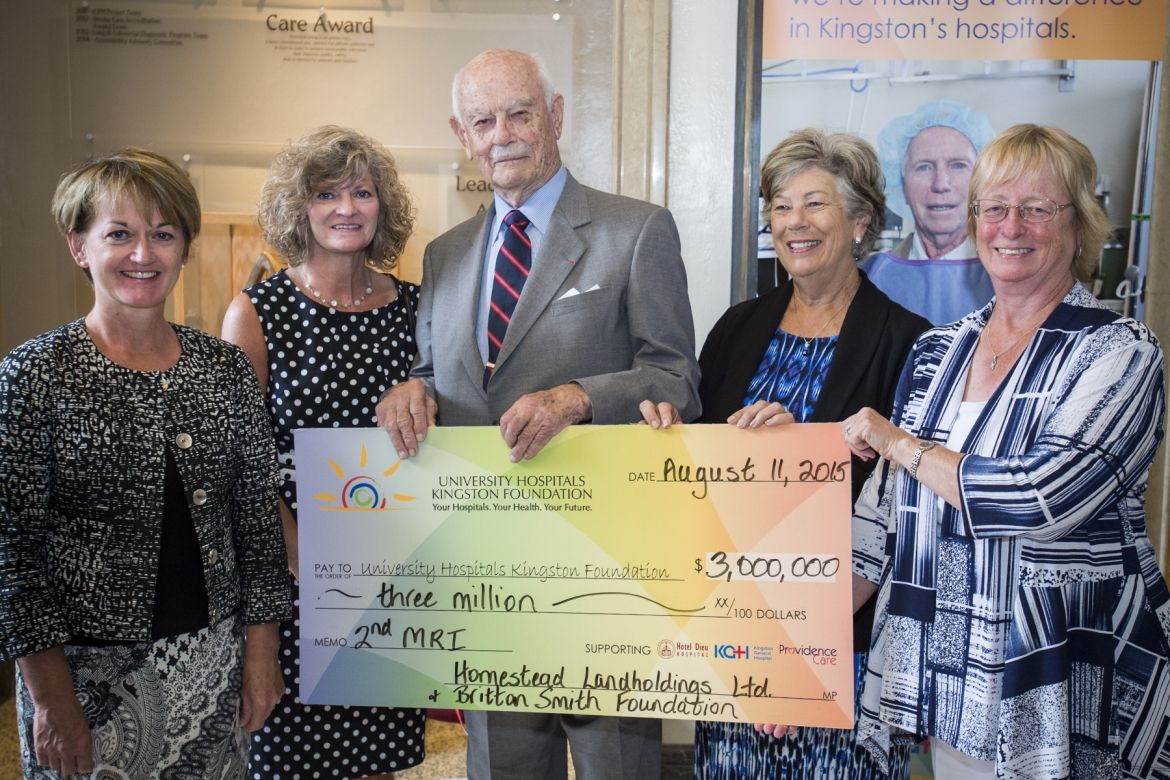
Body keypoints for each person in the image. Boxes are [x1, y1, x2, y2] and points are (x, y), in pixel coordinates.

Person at [376, 49, 700, 779]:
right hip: (486, 568)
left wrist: (579, 398)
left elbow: (676, 377)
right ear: (461, 135)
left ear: (554, 116)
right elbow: (439, 374)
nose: (503, 135)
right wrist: (412, 389)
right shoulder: (444, 254)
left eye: (520, 113)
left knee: (615, 762)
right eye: (483, 121)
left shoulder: (637, 230)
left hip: (602, 565)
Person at [846, 124, 1170, 777]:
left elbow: (1037, 497)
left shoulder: (1119, 352)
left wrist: (902, 445)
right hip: (945, 673)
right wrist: (797, 638)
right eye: (993, 207)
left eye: (1036, 208)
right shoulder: (939, 351)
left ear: (1080, 225)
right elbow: (878, 527)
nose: (1009, 226)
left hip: (1061, 675)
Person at [642, 129, 929, 779]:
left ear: (861, 222)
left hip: (841, 648)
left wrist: (801, 647)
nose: (793, 222)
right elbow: (703, 478)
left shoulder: (910, 345)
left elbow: (908, 520)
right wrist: (667, 439)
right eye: (780, 205)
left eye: (815, 204)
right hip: (735, 638)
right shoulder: (736, 328)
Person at [0, 148, 291, 778]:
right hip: (81, 678)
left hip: (212, 661)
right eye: (119, 234)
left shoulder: (223, 370)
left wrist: (262, 651)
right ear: (79, 246)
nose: (143, 254)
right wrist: (51, 699)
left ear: (185, 248)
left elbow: (258, 529)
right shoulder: (34, 376)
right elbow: (11, 553)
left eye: (163, 235)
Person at [221, 125, 426, 779]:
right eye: (327, 194)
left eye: (362, 192)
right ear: (298, 208)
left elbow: (446, 420)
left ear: (382, 207)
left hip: (389, 575)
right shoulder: (256, 311)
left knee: (375, 759)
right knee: (289, 756)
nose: (346, 208)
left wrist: (423, 390)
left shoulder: (418, 309)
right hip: (293, 575)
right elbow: (241, 455)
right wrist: (294, 548)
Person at [860, 100, 996, 324]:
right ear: (901, 185)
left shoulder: (1011, 274)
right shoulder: (866, 277)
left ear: (982, 181)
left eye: (958, 165)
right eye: (924, 167)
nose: (941, 184)